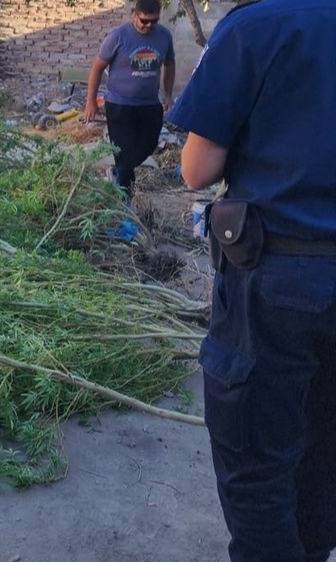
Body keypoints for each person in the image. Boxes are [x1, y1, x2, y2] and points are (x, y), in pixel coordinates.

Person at [166, 0, 336, 560]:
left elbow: (197, 169)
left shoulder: (256, 26)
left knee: (257, 461)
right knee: (325, 451)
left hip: (279, 277)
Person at [83, 0, 175, 200]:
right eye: (144, 21)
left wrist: (168, 94)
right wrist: (91, 101)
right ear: (134, 14)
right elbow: (97, 68)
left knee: (148, 146)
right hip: (119, 105)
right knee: (124, 154)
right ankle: (124, 200)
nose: (149, 25)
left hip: (150, 104)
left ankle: (120, 171)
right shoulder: (118, 36)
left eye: (154, 21)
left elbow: (169, 62)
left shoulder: (164, 36)